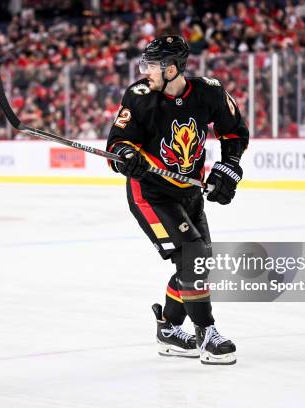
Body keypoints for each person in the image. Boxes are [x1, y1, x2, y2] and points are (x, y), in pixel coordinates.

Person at [106, 35, 249, 365]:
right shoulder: (139, 97)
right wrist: (128, 154)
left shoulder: (209, 92)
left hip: (188, 192)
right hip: (151, 194)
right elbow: (116, 144)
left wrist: (229, 166)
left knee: (199, 262)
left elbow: (234, 131)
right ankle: (206, 333)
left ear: (172, 69)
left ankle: (169, 329)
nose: (146, 72)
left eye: (152, 66)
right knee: (193, 254)